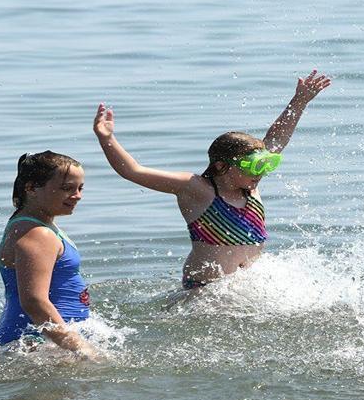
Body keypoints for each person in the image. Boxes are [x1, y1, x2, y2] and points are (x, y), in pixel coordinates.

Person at [92, 69, 332, 291]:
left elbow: (276, 139)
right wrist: (107, 139)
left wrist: (299, 101)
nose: (260, 173)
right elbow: (133, 171)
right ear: (221, 166)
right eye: (252, 167)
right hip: (204, 293)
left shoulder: (249, 187)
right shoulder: (198, 190)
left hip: (247, 289)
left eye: (265, 165)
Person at [0, 151, 102, 358]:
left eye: (80, 188)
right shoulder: (37, 234)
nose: (77, 195)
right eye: (67, 188)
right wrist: (81, 348)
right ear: (32, 188)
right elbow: (34, 301)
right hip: (37, 345)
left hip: (44, 341)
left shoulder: (33, 225)